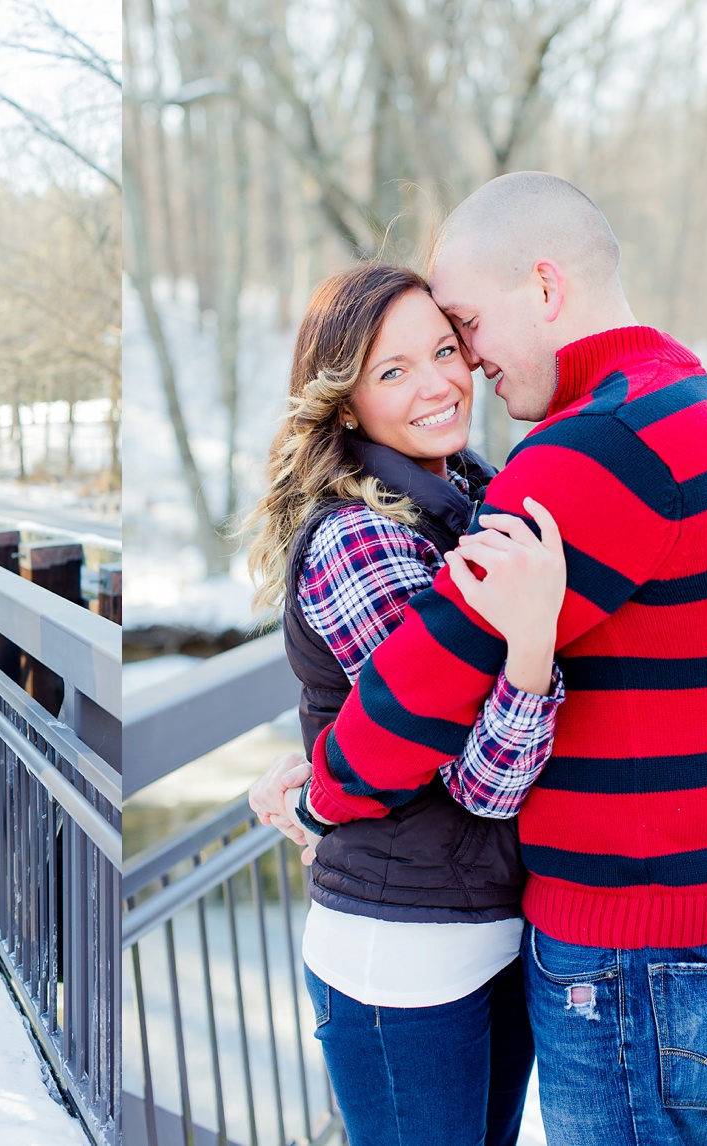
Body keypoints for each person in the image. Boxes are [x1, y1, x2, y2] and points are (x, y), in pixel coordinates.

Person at [297, 172, 707, 1146]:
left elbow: (424, 677)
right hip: (688, 907)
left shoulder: (594, 449)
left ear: (547, 289)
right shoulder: (673, 394)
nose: (468, 364)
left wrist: (319, 792)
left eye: (465, 328)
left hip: (633, 933)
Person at [244, 263, 568, 1146]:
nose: (439, 382)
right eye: (394, 371)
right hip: (405, 954)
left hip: (485, 926)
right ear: (345, 403)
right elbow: (479, 782)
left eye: (444, 349)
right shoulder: (360, 539)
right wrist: (532, 644)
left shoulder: (467, 493)